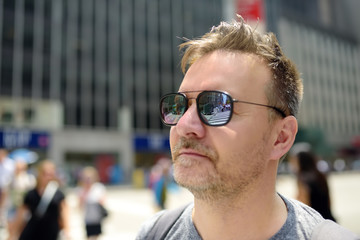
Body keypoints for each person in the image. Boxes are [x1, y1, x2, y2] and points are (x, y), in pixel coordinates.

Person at [136, 16, 358, 240]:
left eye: (216, 106)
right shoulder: (154, 233)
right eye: (179, 106)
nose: (184, 125)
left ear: (280, 137)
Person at [9, 160, 70, 240]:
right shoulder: (31, 194)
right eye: (45, 174)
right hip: (33, 231)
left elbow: (64, 213)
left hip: (51, 232)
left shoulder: (58, 194)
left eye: (50, 174)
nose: (48, 177)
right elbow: (20, 215)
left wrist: (67, 231)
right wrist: (12, 233)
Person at [289, 150, 337, 222]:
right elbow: (329, 201)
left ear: (301, 162)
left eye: (293, 161)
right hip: (328, 218)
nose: (292, 164)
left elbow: (303, 202)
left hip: (314, 221)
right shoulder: (320, 175)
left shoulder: (302, 178)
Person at [6, 159, 36, 239]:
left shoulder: (29, 179)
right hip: (13, 206)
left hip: (24, 208)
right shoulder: (11, 178)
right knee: (11, 230)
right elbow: (7, 192)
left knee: (22, 229)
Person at [77, 166, 107, 240]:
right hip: (88, 219)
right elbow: (79, 206)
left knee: (96, 236)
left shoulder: (98, 188)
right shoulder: (81, 190)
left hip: (97, 218)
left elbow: (103, 201)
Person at [0, 149, 15, 229]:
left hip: (6, 187)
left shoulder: (10, 163)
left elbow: (13, 175)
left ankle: (3, 221)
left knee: (5, 205)